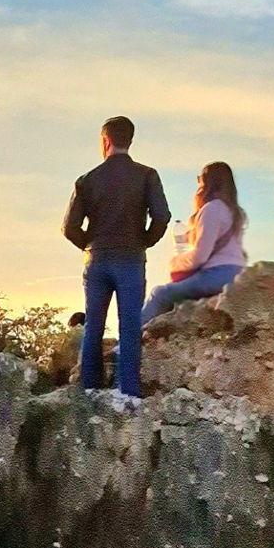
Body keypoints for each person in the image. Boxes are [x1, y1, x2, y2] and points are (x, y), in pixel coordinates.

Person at [62, 115, 170, 397]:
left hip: (97, 260)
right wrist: (144, 241)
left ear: (105, 140)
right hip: (131, 259)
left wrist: (90, 245)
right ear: (130, 140)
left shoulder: (87, 180)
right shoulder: (147, 176)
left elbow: (69, 227)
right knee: (130, 325)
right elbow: (162, 216)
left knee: (93, 325)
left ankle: (89, 390)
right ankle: (128, 393)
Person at [142, 161, 247, 327]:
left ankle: (128, 339)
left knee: (160, 293)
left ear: (208, 182)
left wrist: (176, 262)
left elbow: (200, 256)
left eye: (200, 179)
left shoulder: (212, 209)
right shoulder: (236, 212)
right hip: (237, 273)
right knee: (173, 294)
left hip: (216, 276)